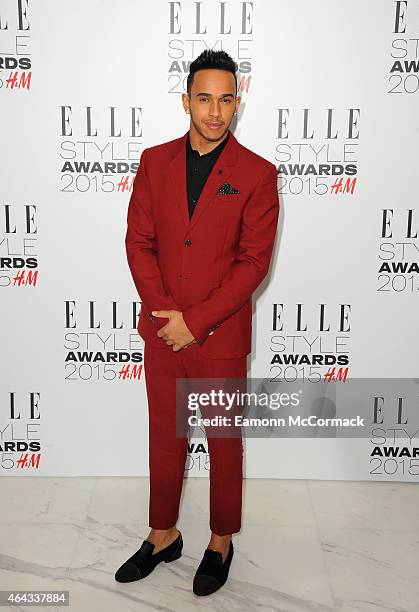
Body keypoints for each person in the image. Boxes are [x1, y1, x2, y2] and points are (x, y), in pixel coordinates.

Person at [115, 49, 279, 596]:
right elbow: (140, 242)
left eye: (225, 99)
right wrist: (167, 315)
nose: (214, 111)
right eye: (204, 98)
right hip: (163, 330)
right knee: (165, 437)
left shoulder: (257, 174)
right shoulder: (153, 161)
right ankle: (163, 535)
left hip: (221, 335)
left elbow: (253, 261)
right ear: (186, 100)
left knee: (224, 441)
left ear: (237, 103)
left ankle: (221, 540)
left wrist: (199, 321)